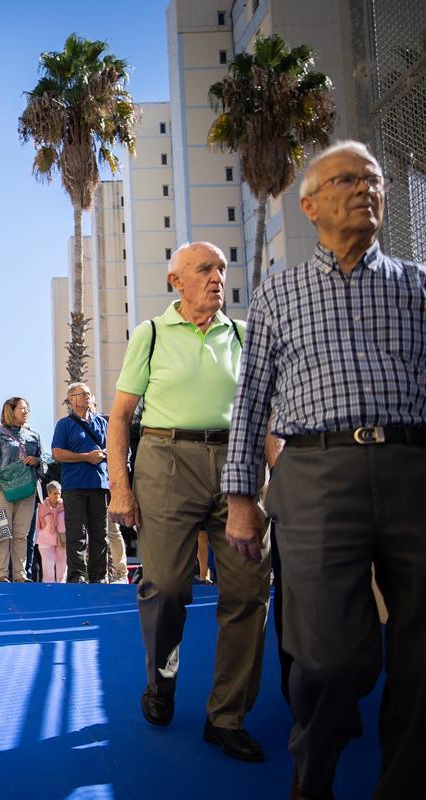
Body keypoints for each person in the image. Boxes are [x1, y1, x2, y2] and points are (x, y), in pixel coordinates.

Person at [222, 141, 425, 799]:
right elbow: (251, 397)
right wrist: (240, 498)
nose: (366, 187)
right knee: (333, 660)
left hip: (413, 471)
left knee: (423, 658)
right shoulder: (279, 291)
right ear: (309, 205)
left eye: (374, 179)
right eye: (347, 178)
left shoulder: (417, 284)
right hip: (314, 474)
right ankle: (315, 776)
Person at [108, 241, 271, 764]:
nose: (217, 277)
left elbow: (267, 417)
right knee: (169, 586)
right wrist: (121, 485)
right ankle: (163, 680)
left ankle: (227, 717)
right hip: (166, 458)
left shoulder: (245, 336)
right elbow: (120, 418)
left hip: (239, 466)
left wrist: (278, 481)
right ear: (176, 281)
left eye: (222, 268)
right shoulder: (151, 335)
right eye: (205, 268)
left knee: (249, 591)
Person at [0, 398, 43, 582]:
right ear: (10, 410)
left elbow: (43, 462)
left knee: (22, 534)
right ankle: (1, 575)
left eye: (27, 408)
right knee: (1, 532)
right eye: (22, 408)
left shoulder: (34, 435)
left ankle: (20, 575)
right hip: (2, 490)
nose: (26, 411)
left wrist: (36, 460)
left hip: (27, 490)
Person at [52, 383, 109, 583]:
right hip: (74, 486)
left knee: (100, 535)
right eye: (82, 394)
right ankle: (77, 577)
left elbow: (113, 447)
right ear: (72, 400)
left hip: (99, 485)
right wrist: (87, 457)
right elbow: (57, 453)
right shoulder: (64, 424)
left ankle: (99, 577)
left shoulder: (102, 422)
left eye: (88, 394)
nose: (87, 397)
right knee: (77, 534)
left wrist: (103, 455)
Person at [90, 393, 129, 583]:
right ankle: (99, 573)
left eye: (91, 402)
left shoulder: (108, 423)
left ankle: (121, 572)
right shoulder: (73, 426)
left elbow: (125, 450)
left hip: (109, 486)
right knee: (92, 533)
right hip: (88, 488)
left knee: (113, 530)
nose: (88, 405)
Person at [35, 481, 66, 583]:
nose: (57, 496)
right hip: (45, 541)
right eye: (54, 493)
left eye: (59, 493)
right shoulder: (42, 507)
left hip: (62, 541)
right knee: (48, 568)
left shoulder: (65, 506)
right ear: (48, 493)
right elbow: (38, 525)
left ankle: (62, 589)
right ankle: (49, 589)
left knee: (62, 566)